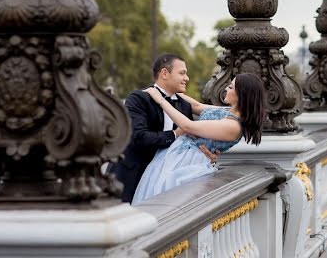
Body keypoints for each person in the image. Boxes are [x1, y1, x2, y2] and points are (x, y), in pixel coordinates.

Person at [131, 72, 265, 205]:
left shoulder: (233, 126)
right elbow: (197, 106)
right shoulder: (227, 112)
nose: (225, 89)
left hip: (187, 161)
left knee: (164, 199)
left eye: (230, 87)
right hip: (177, 154)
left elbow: (187, 126)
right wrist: (167, 89)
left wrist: (160, 100)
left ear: (241, 95)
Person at [110, 53, 201, 203]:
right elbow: (139, 138)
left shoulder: (184, 105)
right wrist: (174, 134)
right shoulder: (138, 98)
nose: (187, 78)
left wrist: (203, 147)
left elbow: (189, 138)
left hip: (162, 180)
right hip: (131, 177)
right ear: (165, 73)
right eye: (182, 73)